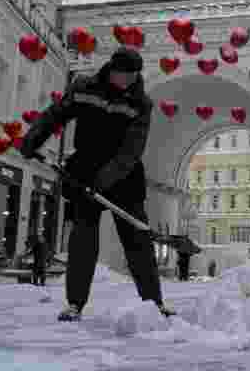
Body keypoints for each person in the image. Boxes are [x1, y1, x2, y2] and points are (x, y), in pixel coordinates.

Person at [21, 47, 175, 322]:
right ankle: (75, 304)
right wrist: (33, 138)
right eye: (122, 74)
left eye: (132, 76)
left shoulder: (141, 103)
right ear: (111, 68)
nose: (126, 81)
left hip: (124, 175)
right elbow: (55, 115)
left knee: (137, 241)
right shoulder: (84, 87)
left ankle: (153, 303)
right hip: (84, 168)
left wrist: (104, 179)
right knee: (83, 241)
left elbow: (132, 150)